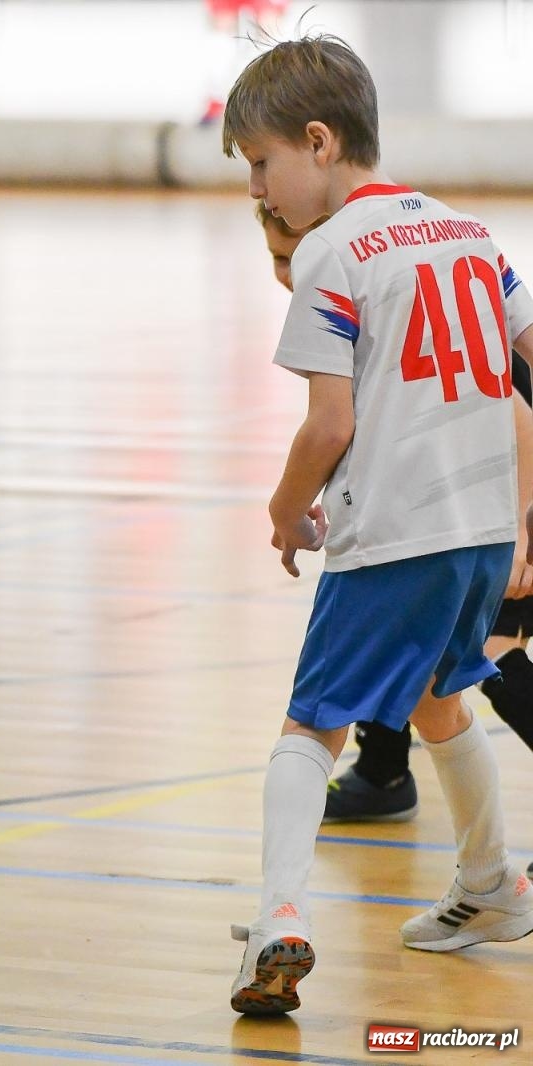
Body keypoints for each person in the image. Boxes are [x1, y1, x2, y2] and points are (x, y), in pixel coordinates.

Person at [220, 36, 533, 1016]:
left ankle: (277, 916)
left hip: (395, 529)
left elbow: (329, 424)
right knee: (442, 697)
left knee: (309, 725)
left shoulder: (327, 251)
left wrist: (282, 511)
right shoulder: (466, 231)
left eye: (262, 164)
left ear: (318, 143)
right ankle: (491, 886)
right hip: (481, 531)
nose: (262, 192)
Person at [255, 204, 533, 826]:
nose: (289, 274)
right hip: (476, 499)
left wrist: (518, 529)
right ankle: (384, 773)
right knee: (409, 648)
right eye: (277, 259)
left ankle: (394, 785)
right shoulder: (355, 297)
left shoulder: (375, 290)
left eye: (294, 256)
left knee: (488, 653)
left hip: (504, 494)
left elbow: (521, 419)